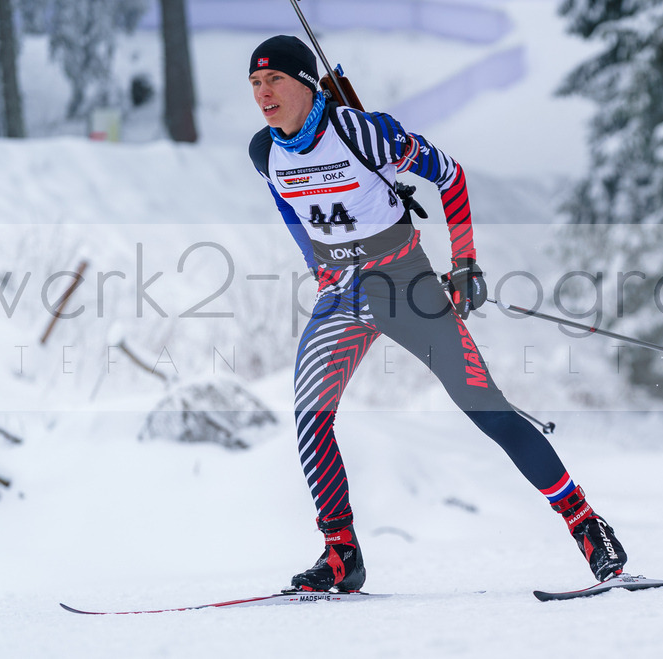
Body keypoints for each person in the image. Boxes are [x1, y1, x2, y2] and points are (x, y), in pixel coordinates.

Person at [247, 35, 626, 592]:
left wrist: (465, 262)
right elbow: (288, 205)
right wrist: (316, 264)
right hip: (343, 294)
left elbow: (449, 174)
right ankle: (341, 554)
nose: (263, 94)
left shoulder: (361, 132)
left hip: (403, 283)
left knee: (487, 410)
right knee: (310, 415)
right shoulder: (265, 152)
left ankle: (589, 529)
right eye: (255, 84)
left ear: (305, 83)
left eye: (274, 80)